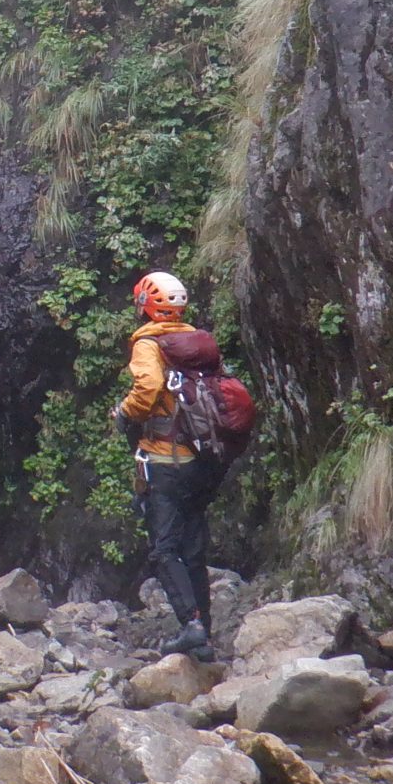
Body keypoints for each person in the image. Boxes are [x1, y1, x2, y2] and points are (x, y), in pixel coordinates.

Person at [114, 269, 227, 661]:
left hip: (165, 461)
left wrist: (124, 412)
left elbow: (146, 390)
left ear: (147, 305)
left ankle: (191, 625)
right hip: (202, 461)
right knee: (194, 547)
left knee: (164, 549)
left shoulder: (150, 345)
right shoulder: (196, 342)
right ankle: (205, 636)